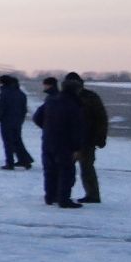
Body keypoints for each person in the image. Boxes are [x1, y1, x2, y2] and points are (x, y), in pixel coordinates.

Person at [32, 75, 85, 208]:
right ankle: (64, 199)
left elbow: (37, 117)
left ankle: (50, 197)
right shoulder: (74, 105)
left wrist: (48, 128)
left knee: (50, 170)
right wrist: (77, 148)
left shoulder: (51, 101)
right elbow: (77, 128)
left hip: (48, 141)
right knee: (66, 171)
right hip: (65, 144)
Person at [65, 72, 107, 203]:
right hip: (71, 139)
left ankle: (92, 195)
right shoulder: (68, 97)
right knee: (68, 167)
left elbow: (101, 119)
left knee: (86, 168)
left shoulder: (90, 97)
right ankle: (63, 193)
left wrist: (100, 138)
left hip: (87, 139)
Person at [0, 74, 36, 169]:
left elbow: (0, 109)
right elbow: (24, 109)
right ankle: (25, 160)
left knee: (8, 142)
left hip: (6, 121)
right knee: (17, 141)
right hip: (17, 121)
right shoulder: (21, 94)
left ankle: (10, 163)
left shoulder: (4, 94)